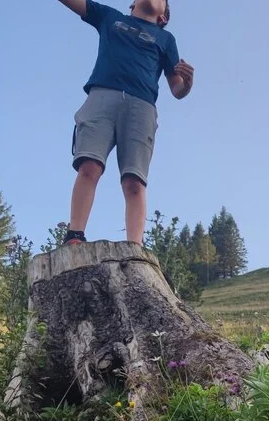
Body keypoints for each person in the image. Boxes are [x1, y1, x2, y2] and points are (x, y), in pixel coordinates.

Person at [54, 0, 195, 246]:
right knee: (89, 165)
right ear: (132, 4)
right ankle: (75, 235)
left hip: (142, 107)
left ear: (163, 17)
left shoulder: (165, 39)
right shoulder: (109, 17)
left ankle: (135, 247)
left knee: (134, 181)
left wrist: (188, 84)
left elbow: (177, 89)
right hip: (102, 96)